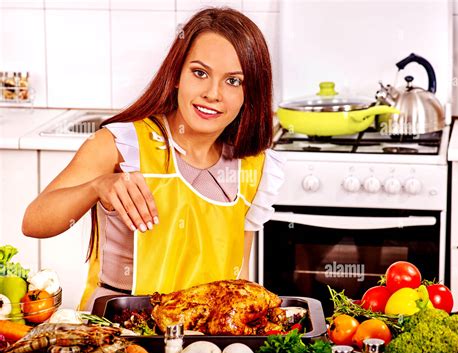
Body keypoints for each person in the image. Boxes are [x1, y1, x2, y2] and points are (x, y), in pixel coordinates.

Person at [22, 7, 285, 311]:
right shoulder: (121, 145)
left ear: (249, 92)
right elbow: (34, 222)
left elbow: (238, 278)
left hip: (204, 338)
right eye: (199, 73)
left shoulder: (253, 167)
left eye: (233, 81)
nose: (213, 93)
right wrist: (97, 186)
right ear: (176, 76)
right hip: (119, 331)